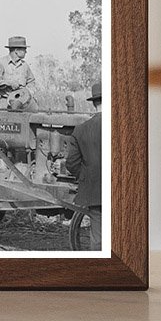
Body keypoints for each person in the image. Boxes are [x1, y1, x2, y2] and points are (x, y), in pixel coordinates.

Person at [64, 80, 103, 250]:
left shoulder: (80, 130)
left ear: (94, 103)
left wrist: (86, 177)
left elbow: (71, 163)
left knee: (98, 237)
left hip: (95, 191)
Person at [0, 35, 37, 110]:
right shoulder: (0, 63)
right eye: (24, 49)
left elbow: (31, 81)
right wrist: (8, 83)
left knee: (36, 115)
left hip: (24, 101)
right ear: (16, 50)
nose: (26, 52)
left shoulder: (25, 65)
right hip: (6, 101)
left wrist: (29, 92)